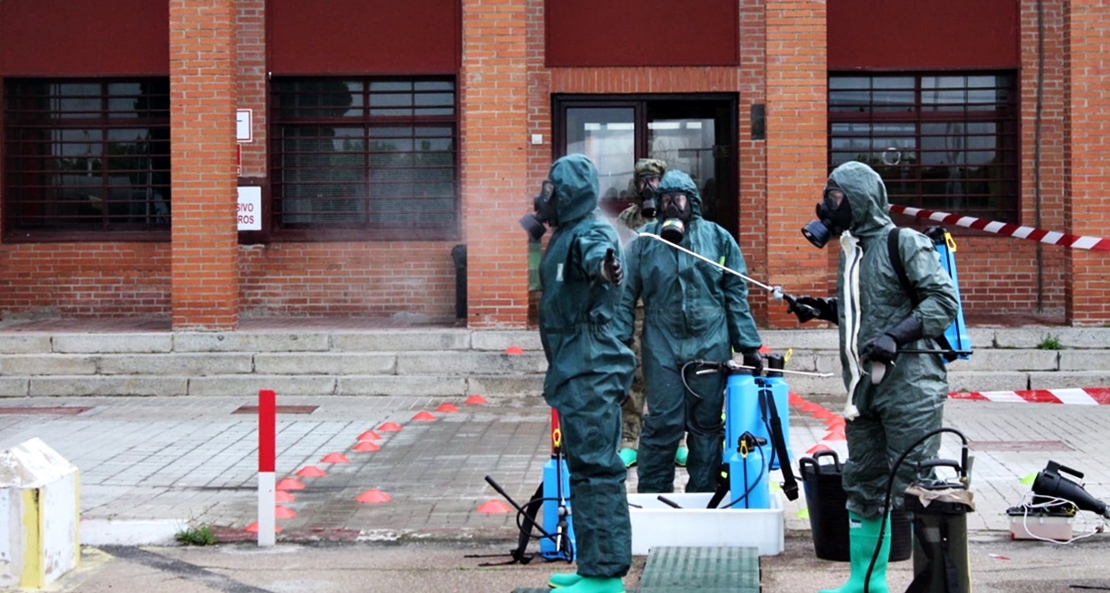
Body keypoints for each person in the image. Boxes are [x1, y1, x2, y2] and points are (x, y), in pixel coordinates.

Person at [788, 161, 958, 593]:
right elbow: (867, 307)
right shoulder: (854, 251)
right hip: (864, 388)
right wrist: (824, 309)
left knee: (919, 485)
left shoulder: (904, 243)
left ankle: (937, 583)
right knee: (863, 482)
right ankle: (866, 582)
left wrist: (896, 338)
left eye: (836, 197)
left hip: (910, 386)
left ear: (860, 200)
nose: (828, 206)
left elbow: (942, 302)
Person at [520, 153, 635, 593]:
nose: (543, 195)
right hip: (574, 362)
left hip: (590, 364)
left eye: (551, 188)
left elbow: (601, 258)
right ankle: (593, 566)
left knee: (597, 468)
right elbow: (543, 284)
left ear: (568, 193)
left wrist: (607, 266)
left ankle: (605, 577)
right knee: (583, 468)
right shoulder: (565, 232)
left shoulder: (590, 231)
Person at [615, 169, 763, 494]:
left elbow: (735, 293)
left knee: (706, 425)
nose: (671, 207)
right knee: (662, 422)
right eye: (665, 200)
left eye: (678, 200)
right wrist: (619, 341)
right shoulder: (645, 243)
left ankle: (705, 494)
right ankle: (654, 495)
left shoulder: (718, 238)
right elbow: (624, 294)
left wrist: (749, 345)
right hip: (661, 344)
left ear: (691, 201)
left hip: (710, 343)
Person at [614, 158, 689, 470]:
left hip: (667, 308)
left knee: (671, 376)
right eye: (644, 180)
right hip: (636, 309)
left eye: (655, 180)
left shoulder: (675, 217)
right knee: (635, 375)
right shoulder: (625, 219)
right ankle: (630, 439)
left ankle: (678, 440)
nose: (649, 186)